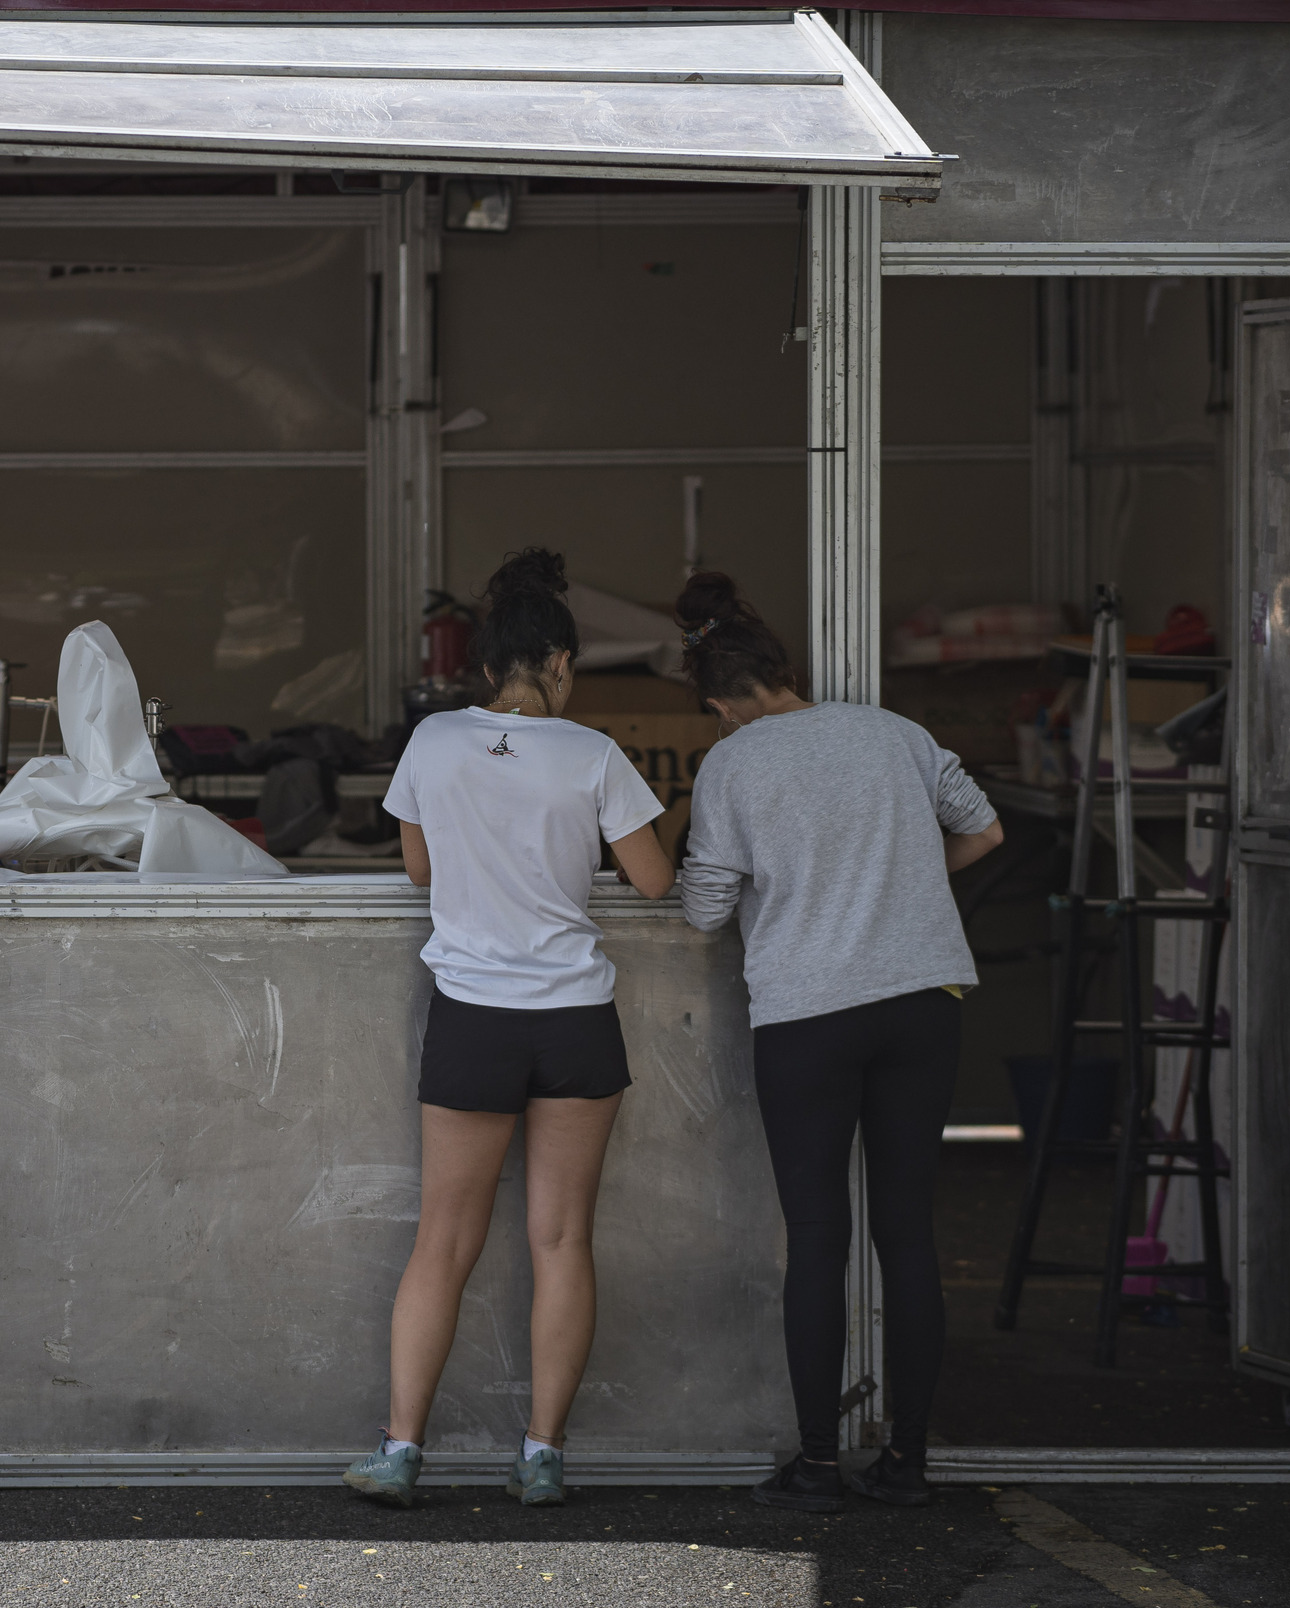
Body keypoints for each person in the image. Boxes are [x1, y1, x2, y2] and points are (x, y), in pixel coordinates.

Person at [344, 547, 676, 1510]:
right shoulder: (595, 754)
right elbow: (656, 881)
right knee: (561, 1241)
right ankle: (541, 1457)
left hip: (474, 1018)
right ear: (562, 664)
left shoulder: (435, 741)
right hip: (574, 1019)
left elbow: (418, 871)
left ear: (487, 668)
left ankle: (402, 1453)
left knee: (442, 1240)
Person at [668, 570, 1003, 1514]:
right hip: (922, 1001)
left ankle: (817, 1464)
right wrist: (903, 888)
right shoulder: (894, 733)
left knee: (818, 1236)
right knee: (908, 1231)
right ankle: (908, 1463)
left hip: (809, 1014)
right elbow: (984, 831)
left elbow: (703, 911)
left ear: (722, 701)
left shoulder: (733, 764)